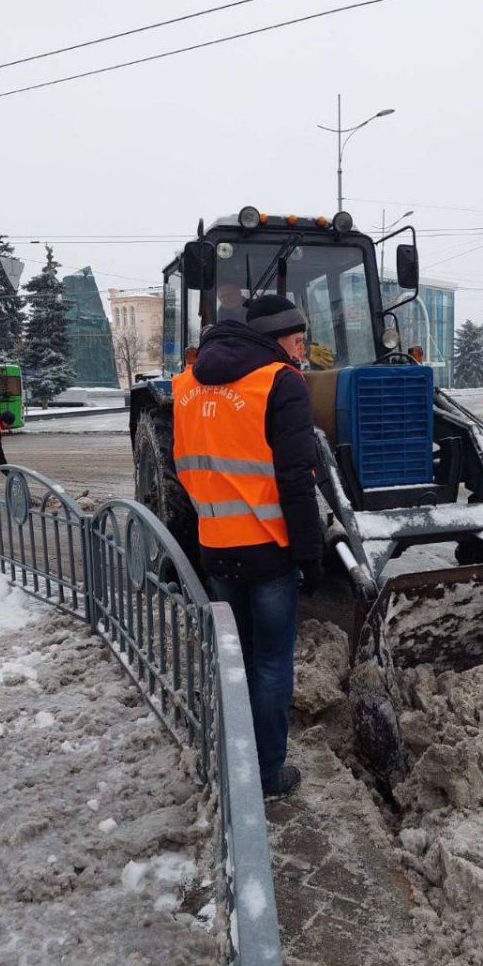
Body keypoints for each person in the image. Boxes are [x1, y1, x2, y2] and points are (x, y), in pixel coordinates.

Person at [172, 294, 323, 799]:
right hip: (269, 550)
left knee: (233, 657)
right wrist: (309, 552)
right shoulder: (280, 382)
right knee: (272, 662)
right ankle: (267, 774)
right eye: (299, 341)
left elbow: (185, 467)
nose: (301, 352)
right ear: (279, 338)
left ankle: (227, 755)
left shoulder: (188, 386)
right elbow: (296, 480)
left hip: (215, 545)